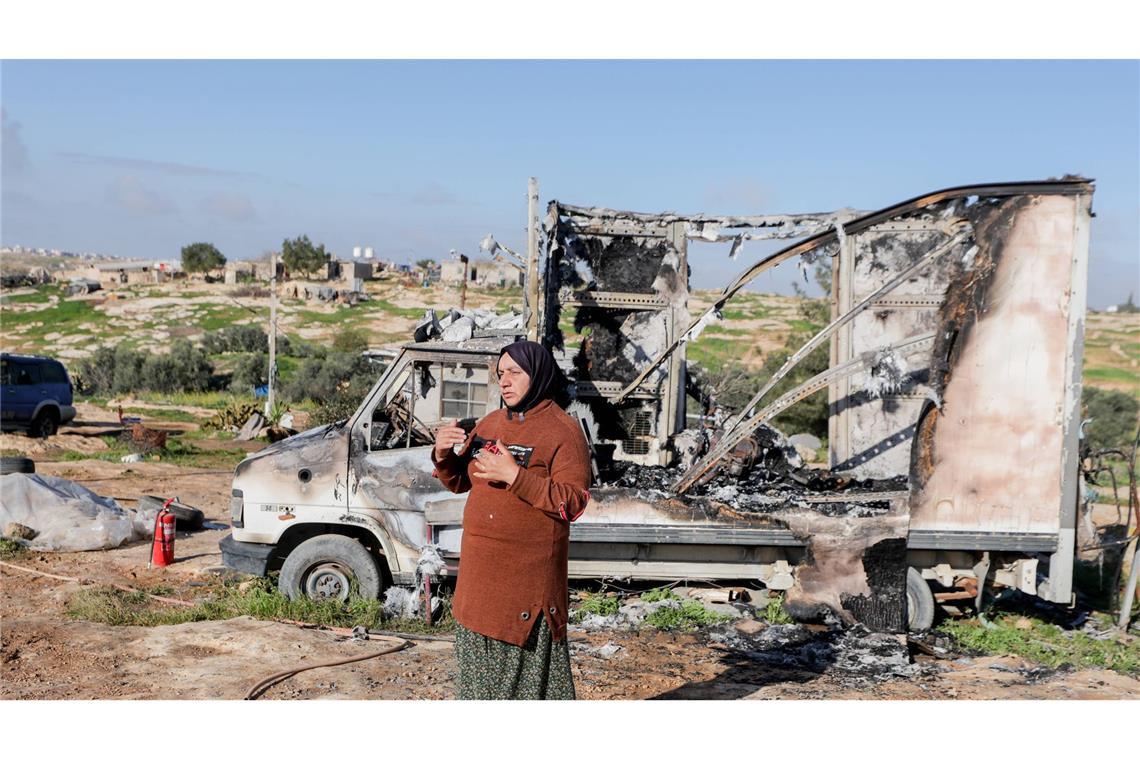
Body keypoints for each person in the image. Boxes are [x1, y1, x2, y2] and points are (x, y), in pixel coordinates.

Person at [431, 339, 592, 700]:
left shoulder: (562, 431)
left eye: (515, 373)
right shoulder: (490, 423)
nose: (505, 381)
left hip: (523, 595)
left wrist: (516, 476)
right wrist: (442, 454)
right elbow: (460, 480)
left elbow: (574, 503)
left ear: (537, 374)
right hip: (477, 591)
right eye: (500, 373)